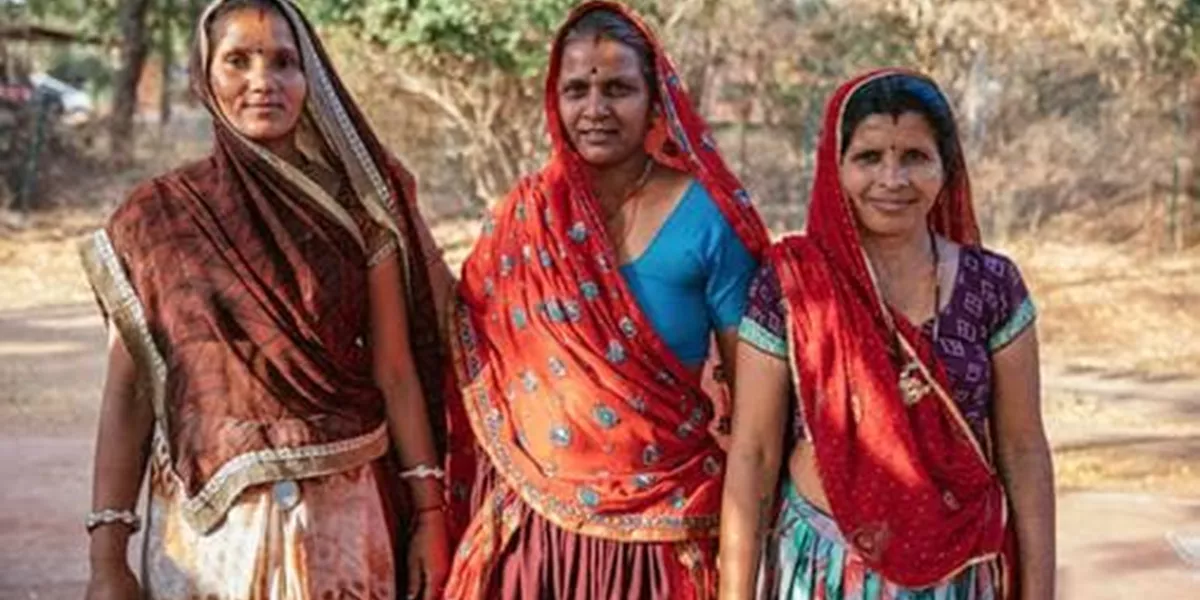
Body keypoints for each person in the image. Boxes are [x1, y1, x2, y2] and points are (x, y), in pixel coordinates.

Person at [79, 1, 453, 598]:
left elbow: (396, 371)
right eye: (238, 61)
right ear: (205, 76)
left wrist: (430, 513)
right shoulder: (157, 220)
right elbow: (127, 392)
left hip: (347, 517)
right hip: (211, 535)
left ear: (311, 79)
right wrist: (107, 560)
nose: (263, 81)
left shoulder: (358, 214)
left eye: (283, 62)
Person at [441, 2, 770, 598]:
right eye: (576, 90)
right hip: (538, 536)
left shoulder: (708, 218)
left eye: (618, 88)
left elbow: (756, 407)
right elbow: (464, 335)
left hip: (667, 536)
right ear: (554, 98)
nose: (595, 110)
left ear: (655, 99)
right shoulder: (525, 218)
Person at [717, 69, 1055, 600]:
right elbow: (754, 452)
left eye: (915, 157)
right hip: (822, 568)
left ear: (947, 167)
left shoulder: (992, 286)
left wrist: (1038, 591)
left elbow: (1023, 447)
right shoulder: (793, 286)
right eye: (869, 157)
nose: (892, 180)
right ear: (836, 167)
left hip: (956, 576)